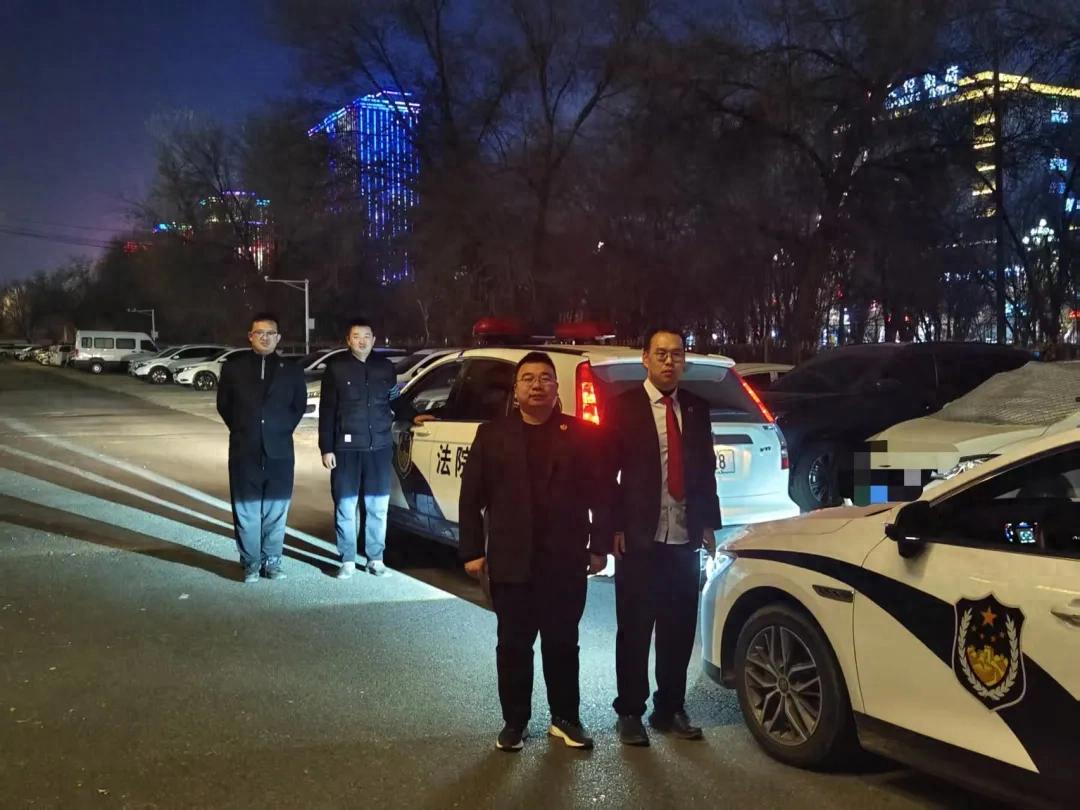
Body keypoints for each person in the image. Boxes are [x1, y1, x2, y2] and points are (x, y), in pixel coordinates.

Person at [458, 351, 611, 752]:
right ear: (516, 390)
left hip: (564, 559)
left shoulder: (580, 434)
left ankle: (565, 718)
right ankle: (515, 722)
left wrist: (598, 547)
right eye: (528, 378)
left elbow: (601, 495)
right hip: (511, 560)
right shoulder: (492, 435)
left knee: (563, 644)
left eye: (545, 378)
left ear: (557, 388)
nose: (537, 385)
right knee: (513, 646)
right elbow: (471, 497)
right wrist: (472, 551)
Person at [608, 327, 720, 745]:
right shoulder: (623, 407)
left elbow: (704, 469)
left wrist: (707, 523)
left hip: (684, 536)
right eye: (661, 354)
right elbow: (606, 473)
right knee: (635, 629)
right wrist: (612, 527)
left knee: (679, 627)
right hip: (639, 536)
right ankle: (630, 711)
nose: (669, 361)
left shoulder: (695, 408)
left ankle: (669, 707)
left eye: (677, 354)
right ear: (645, 358)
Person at [216, 312, 307, 584]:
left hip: (280, 450)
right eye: (259, 333)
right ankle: (251, 562)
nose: (265, 338)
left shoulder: (292, 370)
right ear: (250, 336)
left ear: (278, 338)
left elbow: (298, 406)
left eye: (270, 333)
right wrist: (243, 428)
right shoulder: (234, 368)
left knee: (276, 509)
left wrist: (279, 429)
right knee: (246, 509)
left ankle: (272, 560)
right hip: (244, 449)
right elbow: (224, 405)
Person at [318, 317, 397, 579]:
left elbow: (395, 400)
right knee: (345, 504)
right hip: (346, 449)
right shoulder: (336, 368)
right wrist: (326, 447)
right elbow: (327, 410)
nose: (362, 341)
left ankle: (375, 558)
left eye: (366, 336)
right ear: (348, 340)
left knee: (377, 506)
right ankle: (348, 559)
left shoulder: (386, 367)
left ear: (374, 339)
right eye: (356, 336)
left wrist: (417, 416)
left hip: (380, 447)